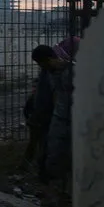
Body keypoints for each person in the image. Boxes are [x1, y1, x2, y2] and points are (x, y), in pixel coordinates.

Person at [33, 37, 80, 182]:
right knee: (53, 146)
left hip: (77, 115)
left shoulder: (73, 68)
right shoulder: (49, 72)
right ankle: (55, 180)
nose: (44, 68)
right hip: (60, 114)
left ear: (50, 59)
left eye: (44, 64)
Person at [23, 45, 57, 181]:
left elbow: (53, 96)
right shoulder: (45, 71)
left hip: (47, 116)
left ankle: (44, 174)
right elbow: (39, 93)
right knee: (35, 143)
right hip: (38, 115)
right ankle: (28, 168)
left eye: (40, 62)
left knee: (45, 145)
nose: (39, 66)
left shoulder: (55, 72)